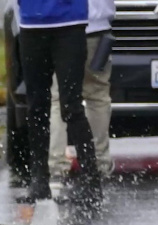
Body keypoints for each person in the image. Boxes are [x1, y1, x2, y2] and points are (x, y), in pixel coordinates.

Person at [16, 0, 104, 221]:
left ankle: (91, 180)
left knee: (71, 106)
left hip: (70, 23)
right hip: (31, 22)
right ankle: (39, 179)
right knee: (36, 105)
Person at [48, 0, 115, 186]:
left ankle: (56, 164)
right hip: (97, 28)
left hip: (61, 27)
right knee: (97, 96)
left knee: (58, 98)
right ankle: (100, 162)